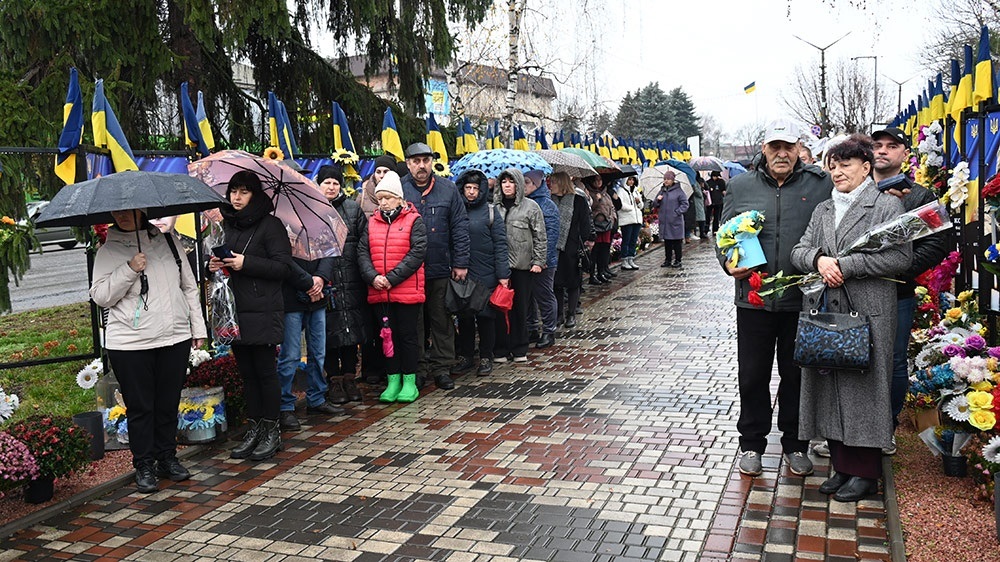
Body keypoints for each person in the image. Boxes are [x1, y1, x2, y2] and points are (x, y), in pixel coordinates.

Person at [790, 134, 911, 502]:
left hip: (868, 311)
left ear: (865, 167)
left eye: (846, 165)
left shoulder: (885, 207)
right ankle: (842, 466)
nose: (837, 172)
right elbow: (800, 250)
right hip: (828, 310)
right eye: (832, 165)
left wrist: (846, 265)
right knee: (829, 386)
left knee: (864, 388)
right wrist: (818, 261)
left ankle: (865, 472)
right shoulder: (824, 209)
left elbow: (899, 259)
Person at [719, 118, 832, 478]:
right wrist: (728, 263)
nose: (781, 153)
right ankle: (751, 444)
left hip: (802, 298)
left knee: (796, 375)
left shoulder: (821, 185)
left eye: (788, 146)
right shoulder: (740, 186)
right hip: (753, 299)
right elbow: (722, 236)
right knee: (752, 374)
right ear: (764, 149)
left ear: (799, 148)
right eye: (774, 147)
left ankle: (795, 445)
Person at [91, 209, 207, 493]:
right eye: (116, 212)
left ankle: (167, 457)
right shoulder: (108, 251)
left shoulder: (169, 242)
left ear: (142, 210)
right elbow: (101, 296)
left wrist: (198, 328)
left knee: (167, 402)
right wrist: (129, 269)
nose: (122, 216)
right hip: (131, 344)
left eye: (129, 210)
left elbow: (189, 286)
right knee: (141, 407)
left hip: (174, 336)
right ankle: (144, 464)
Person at [208, 170, 292, 462]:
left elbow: (283, 267)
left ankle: (272, 431)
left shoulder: (271, 226)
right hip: (235, 312)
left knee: (265, 373)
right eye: (233, 191)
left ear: (254, 195)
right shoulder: (227, 225)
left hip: (264, 310)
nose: (236, 197)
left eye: (243, 192)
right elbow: (220, 261)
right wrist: (215, 265)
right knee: (247, 375)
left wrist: (247, 263)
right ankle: (254, 428)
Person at [873, 127, 948, 451]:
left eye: (892, 146)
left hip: (898, 293)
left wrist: (901, 266)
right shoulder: (854, 192)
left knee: (893, 361)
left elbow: (940, 242)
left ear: (905, 154)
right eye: (877, 145)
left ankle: (885, 427)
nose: (883, 151)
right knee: (853, 358)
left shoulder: (919, 196)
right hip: (854, 291)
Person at [400, 142, 470, 390]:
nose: (422, 166)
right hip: (408, 271)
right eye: (416, 161)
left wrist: (460, 262)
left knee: (441, 319)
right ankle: (417, 368)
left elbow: (460, 227)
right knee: (414, 322)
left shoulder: (448, 189)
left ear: (432, 162)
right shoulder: (399, 188)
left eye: (426, 160)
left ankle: (442, 367)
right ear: (408, 163)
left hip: (440, 266)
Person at [357, 171, 427, 403]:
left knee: (407, 336)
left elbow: (417, 252)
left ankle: (409, 380)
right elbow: (363, 253)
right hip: (379, 291)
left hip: (405, 290)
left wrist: (392, 278)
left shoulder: (413, 220)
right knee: (387, 337)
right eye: (381, 197)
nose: (384, 202)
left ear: (399, 197)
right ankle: (393, 379)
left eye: (388, 197)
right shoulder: (372, 222)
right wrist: (373, 277)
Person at [275, 229, 341, 431]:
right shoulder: (279, 223)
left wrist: (320, 278)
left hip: (318, 296)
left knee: (318, 352)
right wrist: (308, 283)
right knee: (291, 355)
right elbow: (283, 261)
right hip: (291, 297)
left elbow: (330, 251)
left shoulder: (316, 219)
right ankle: (285, 406)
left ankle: (317, 398)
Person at [317, 165, 369, 405]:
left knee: (351, 329)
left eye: (335, 183)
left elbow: (363, 243)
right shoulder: (312, 210)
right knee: (328, 331)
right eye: (327, 182)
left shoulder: (352, 208)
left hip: (351, 278)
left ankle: (350, 377)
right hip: (324, 280)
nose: (331, 186)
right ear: (319, 185)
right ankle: (334, 380)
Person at [453, 169, 510, 376]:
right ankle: (466, 355)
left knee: (486, 317)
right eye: (467, 188)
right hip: (462, 272)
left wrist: (503, 275)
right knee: (465, 316)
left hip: (487, 272)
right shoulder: (456, 210)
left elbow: (501, 244)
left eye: (475, 188)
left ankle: (486, 356)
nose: (471, 192)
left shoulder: (491, 211)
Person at [493, 168, 547, 363]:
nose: (507, 185)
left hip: (522, 266)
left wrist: (539, 261)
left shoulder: (530, 207)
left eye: (511, 181)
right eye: (504, 181)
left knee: (520, 308)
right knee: (499, 308)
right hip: (499, 267)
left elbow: (540, 235)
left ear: (518, 184)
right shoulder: (494, 208)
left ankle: (519, 348)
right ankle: (500, 348)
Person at [549, 172, 593, 328]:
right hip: (553, 248)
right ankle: (559, 315)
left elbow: (585, 225)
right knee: (556, 283)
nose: (550, 185)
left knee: (573, 282)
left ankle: (571, 314)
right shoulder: (549, 201)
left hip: (572, 248)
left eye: (553, 182)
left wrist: (582, 240)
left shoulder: (578, 200)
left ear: (561, 183)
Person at [523, 169, 560, 349]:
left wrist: (542, 257)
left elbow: (552, 234)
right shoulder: (523, 203)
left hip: (544, 260)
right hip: (525, 259)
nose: (524, 186)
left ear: (537, 185)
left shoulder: (547, 205)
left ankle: (548, 331)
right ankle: (531, 328)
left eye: (528, 183)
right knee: (528, 296)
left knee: (544, 295)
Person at [652, 171, 688, 268]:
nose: (666, 181)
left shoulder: (679, 191)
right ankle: (667, 260)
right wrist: (658, 200)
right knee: (667, 241)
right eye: (665, 179)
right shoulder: (662, 191)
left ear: (673, 180)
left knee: (676, 242)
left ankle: (678, 260)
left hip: (675, 221)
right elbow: (655, 205)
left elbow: (685, 204)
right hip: (665, 221)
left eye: (668, 179)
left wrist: (677, 212)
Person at [584, 175, 617, 284]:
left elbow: (611, 207)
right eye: (596, 180)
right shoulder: (589, 193)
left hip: (606, 225)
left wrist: (612, 218)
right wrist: (597, 200)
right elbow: (589, 208)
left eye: (600, 180)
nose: (599, 182)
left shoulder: (605, 193)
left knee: (604, 250)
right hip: (596, 226)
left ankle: (601, 271)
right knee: (595, 251)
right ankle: (592, 274)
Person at [617, 175, 644, 271]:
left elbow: (641, 206)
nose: (631, 182)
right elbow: (620, 204)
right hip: (627, 219)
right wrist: (631, 208)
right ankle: (624, 260)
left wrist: (638, 202)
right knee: (626, 240)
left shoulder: (635, 191)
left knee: (633, 240)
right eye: (629, 179)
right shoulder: (621, 191)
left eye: (633, 179)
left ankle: (631, 258)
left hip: (636, 219)